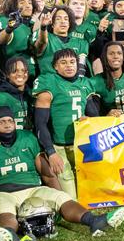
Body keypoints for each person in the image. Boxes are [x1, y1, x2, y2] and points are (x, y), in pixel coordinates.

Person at [0, 107, 124, 241]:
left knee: (60, 196)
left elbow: (47, 174)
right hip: (0, 192)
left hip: (32, 189)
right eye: (1, 122)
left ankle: (94, 221)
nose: (7, 125)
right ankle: (10, 239)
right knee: (4, 207)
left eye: (10, 121)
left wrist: (58, 204)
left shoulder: (27, 138)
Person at [32, 48, 99, 198]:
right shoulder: (49, 82)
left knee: (93, 195)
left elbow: (93, 114)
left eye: (72, 62)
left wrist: (92, 119)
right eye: (63, 62)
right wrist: (51, 152)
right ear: (55, 66)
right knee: (71, 198)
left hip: (83, 146)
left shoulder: (85, 83)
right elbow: (40, 123)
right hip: (60, 147)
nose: (69, 66)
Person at [93, 41, 124, 115]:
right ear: (104, 57)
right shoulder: (97, 81)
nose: (116, 56)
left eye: (119, 53)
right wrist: (107, 115)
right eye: (111, 54)